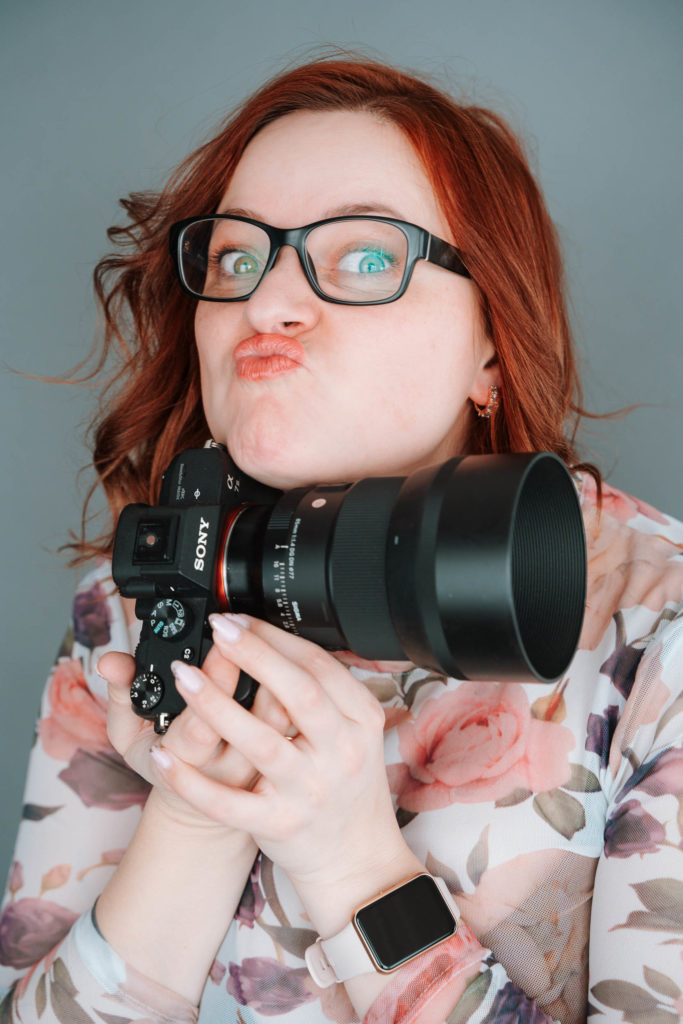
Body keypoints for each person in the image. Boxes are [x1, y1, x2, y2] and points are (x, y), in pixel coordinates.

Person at [1, 55, 681, 1024]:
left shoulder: (657, 627)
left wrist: (347, 859)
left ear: (490, 340)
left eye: (364, 256)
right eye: (237, 257)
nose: (266, 305)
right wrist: (192, 821)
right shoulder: (134, 600)